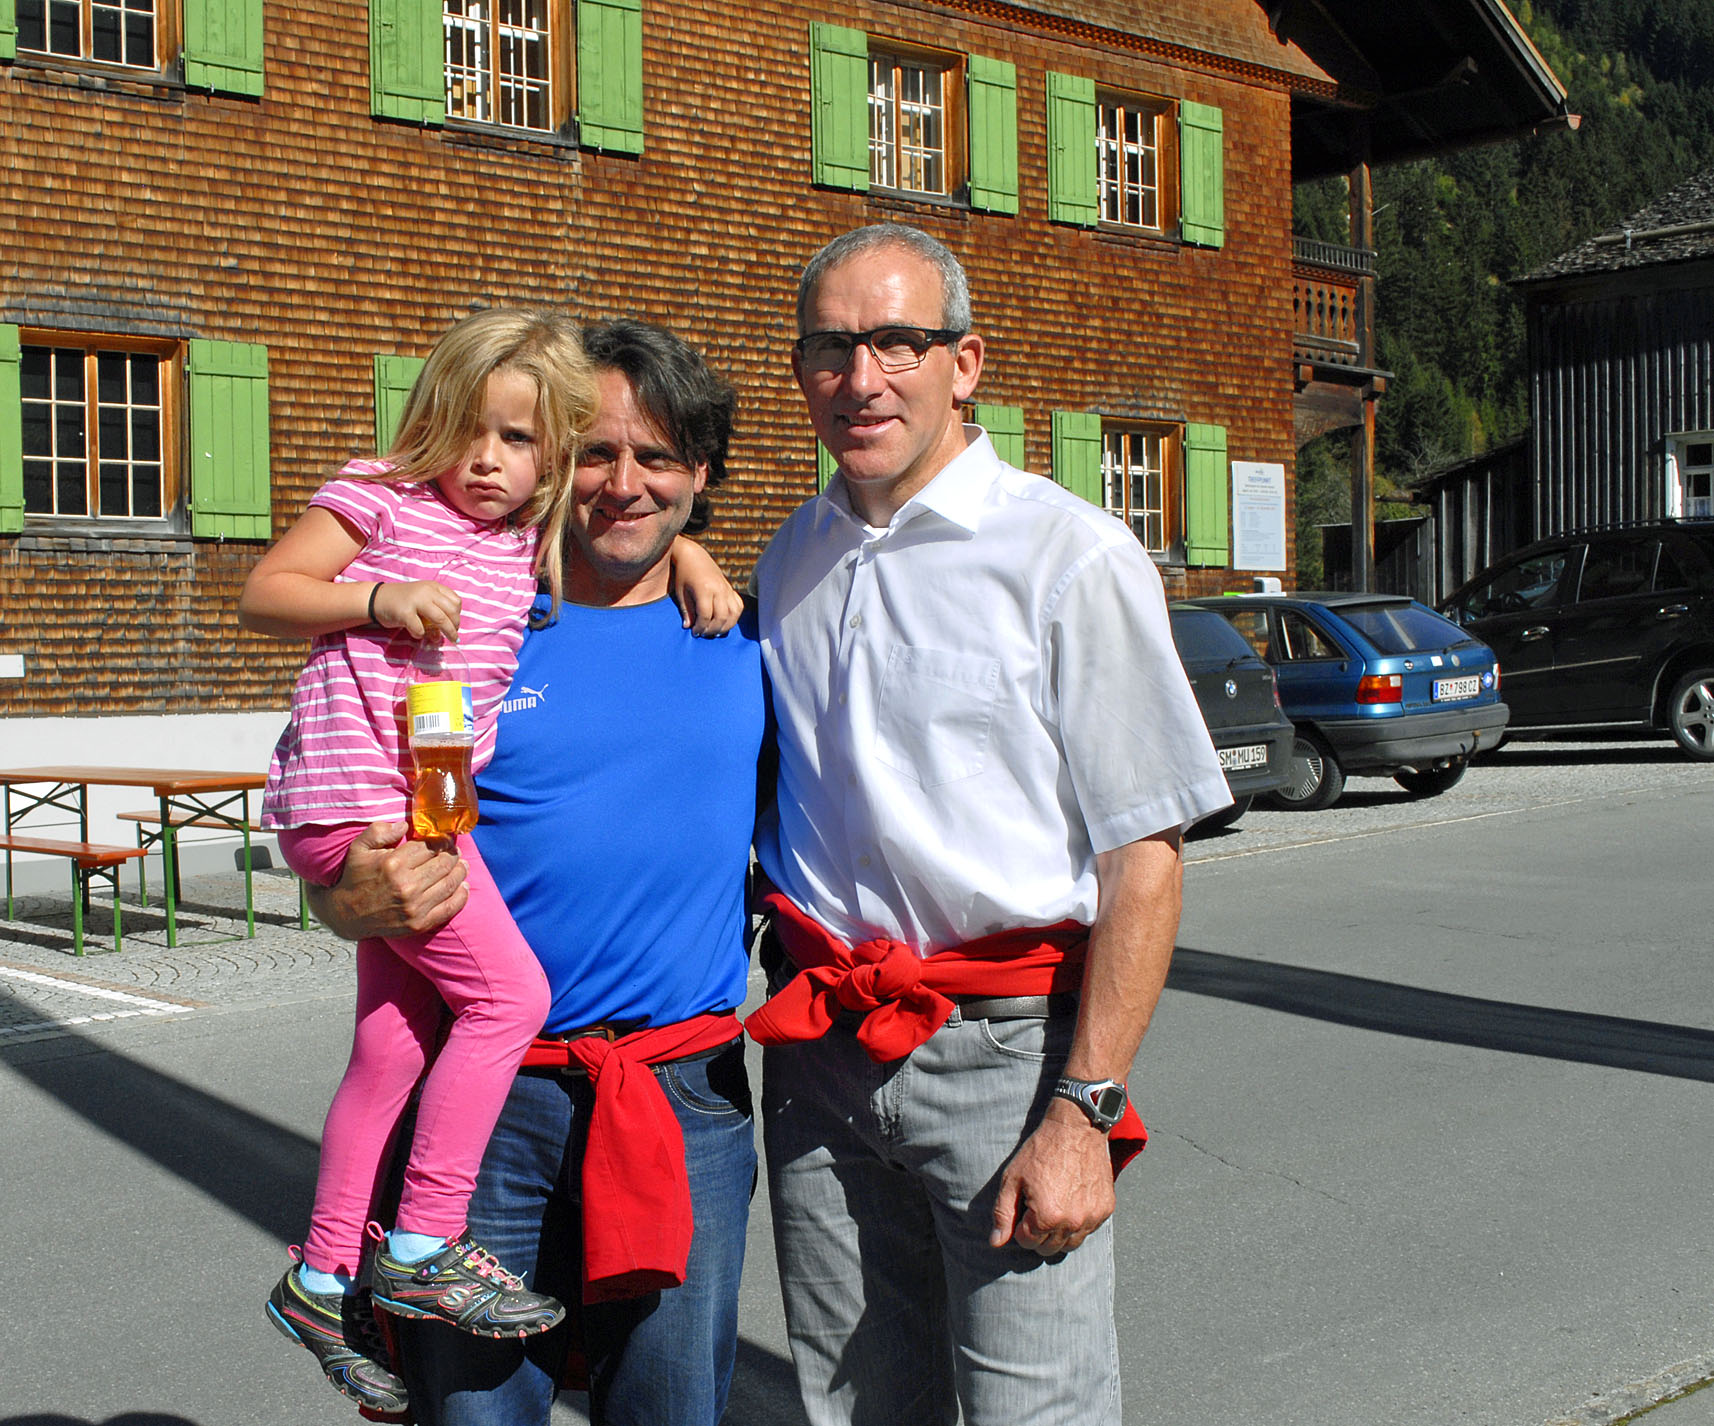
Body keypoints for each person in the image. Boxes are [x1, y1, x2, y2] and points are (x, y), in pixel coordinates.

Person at [746, 223, 1231, 1426]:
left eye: (897, 342)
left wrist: (1086, 1109)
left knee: (1035, 1411)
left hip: (1008, 1061)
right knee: (856, 1409)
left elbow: (1144, 859)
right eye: (830, 348)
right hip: (822, 1055)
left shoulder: (1069, 555)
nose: (862, 378)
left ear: (965, 364)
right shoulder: (791, 558)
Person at [236, 308, 740, 1416]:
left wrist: (694, 554)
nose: (623, 484)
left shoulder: (733, 630)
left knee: (667, 1404)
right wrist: (338, 898)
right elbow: (299, 639)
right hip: (495, 1101)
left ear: (700, 475)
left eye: (658, 458)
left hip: (680, 1097)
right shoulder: (468, 564)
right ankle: (389, 1257)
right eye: (597, 453)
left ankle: (328, 1272)